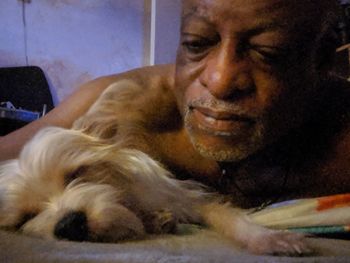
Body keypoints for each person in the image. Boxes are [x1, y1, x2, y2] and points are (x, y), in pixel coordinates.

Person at [0, 0, 349, 208]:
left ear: (322, 60)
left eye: (268, 52)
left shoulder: (341, 141)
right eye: (197, 43)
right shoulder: (116, 108)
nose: (220, 80)